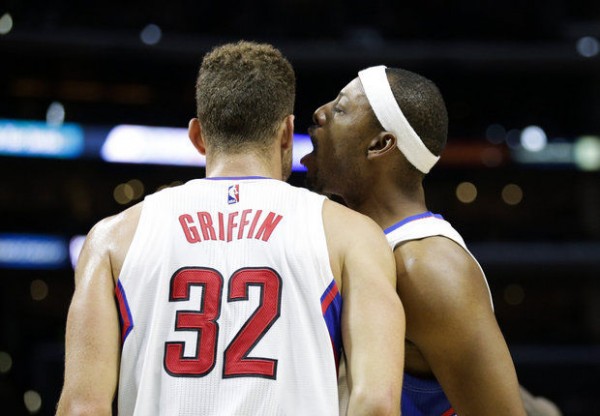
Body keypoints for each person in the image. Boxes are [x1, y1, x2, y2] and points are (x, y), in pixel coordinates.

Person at [55, 43, 405, 415]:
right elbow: (376, 403)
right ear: (287, 133)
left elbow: (82, 408)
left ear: (197, 136)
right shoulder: (352, 235)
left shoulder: (111, 239)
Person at [301, 65, 529, 415]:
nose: (320, 112)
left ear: (379, 144)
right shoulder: (353, 240)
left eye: (341, 108)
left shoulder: (428, 266)